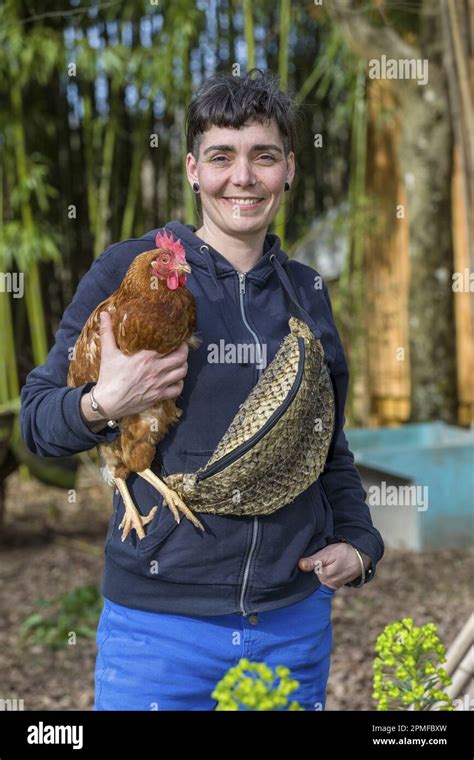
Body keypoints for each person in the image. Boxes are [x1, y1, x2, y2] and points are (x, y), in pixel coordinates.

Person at [20, 69, 384, 711]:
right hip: (159, 633)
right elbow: (36, 422)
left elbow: (328, 449)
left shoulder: (309, 295)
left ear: (290, 169)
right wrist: (104, 402)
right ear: (192, 168)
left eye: (263, 157)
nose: (242, 178)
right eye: (222, 156)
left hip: (289, 625)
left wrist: (360, 542)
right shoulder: (125, 273)